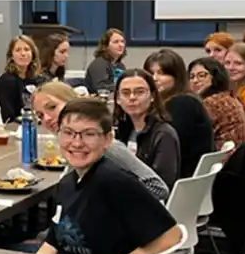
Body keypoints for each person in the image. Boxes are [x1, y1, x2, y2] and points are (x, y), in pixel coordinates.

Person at [37, 98, 181, 254]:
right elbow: (53, 242)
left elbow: (171, 235)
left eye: (89, 134)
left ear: (107, 139)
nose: (76, 143)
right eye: (68, 133)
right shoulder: (67, 183)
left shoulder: (115, 181)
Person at [32, 83, 169, 201]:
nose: (47, 118)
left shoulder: (106, 147)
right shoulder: (71, 149)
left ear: (73, 101)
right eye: (40, 115)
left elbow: (158, 188)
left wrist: (109, 200)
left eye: (52, 107)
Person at [145, 49, 214, 178]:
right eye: (150, 73)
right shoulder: (180, 100)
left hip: (181, 176)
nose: (154, 79)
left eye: (161, 73)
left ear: (176, 76)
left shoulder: (182, 104)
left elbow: (168, 146)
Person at [114, 70, 181, 190]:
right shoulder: (118, 131)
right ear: (118, 99)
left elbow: (162, 185)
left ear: (152, 97)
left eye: (140, 92)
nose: (132, 97)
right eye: (126, 93)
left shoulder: (164, 134)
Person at [187, 58, 245, 150]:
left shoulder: (212, 103)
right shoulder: (231, 98)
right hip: (238, 157)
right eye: (191, 77)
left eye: (201, 75)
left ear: (215, 76)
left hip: (220, 159)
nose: (195, 81)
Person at [0, 36, 44, 122]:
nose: (23, 53)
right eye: (18, 50)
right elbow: (7, 118)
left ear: (33, 54)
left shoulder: (34, 79)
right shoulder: (7, 82)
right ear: (11, 56)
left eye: (26, 49)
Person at [84, 28, 127, 93]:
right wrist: (121, 86)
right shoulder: (99, 64)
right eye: (116, 42)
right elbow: (100, 87)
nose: (121, 45)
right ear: (106, 46)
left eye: (122, 41)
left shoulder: (120, 66)